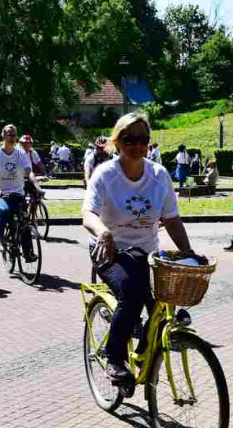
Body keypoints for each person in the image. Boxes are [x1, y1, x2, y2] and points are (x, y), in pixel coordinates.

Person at [82, 112, 194, 387]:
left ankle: (144, 352)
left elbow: (172, 220)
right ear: (118, 141)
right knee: (131, 295)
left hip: (147, 253)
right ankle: (115, 360)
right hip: (110, 251)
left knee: (165, 302)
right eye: (130, 139)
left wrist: (189, 253)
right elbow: (87, 214)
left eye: (143, 139)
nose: (138, 145)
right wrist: (102, 231)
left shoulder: (159, 175)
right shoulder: (105, 175)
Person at [0, 124, 36, 250]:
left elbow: (28, 171)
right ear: (3, 136)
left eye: (15, 135)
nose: (13, 138)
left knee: (25, 221)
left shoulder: (20, 153)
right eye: (10, 135)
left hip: (17, 193)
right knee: (4, 211)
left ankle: (28, 253)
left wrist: (36, 185)